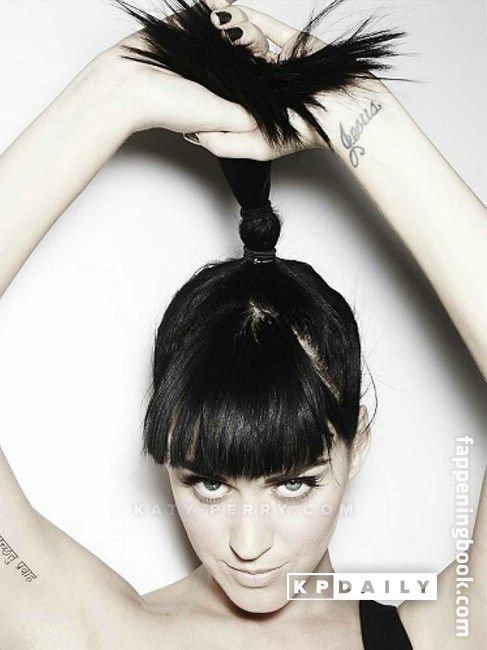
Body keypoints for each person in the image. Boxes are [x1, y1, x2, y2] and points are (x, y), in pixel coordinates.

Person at [0, 1, 485, 649]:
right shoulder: (99, 633)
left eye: (294, 484)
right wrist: (112, 93)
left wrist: (360, 114)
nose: (248, 544)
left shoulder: (440, 633)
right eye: (207, 483)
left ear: (357, 445)